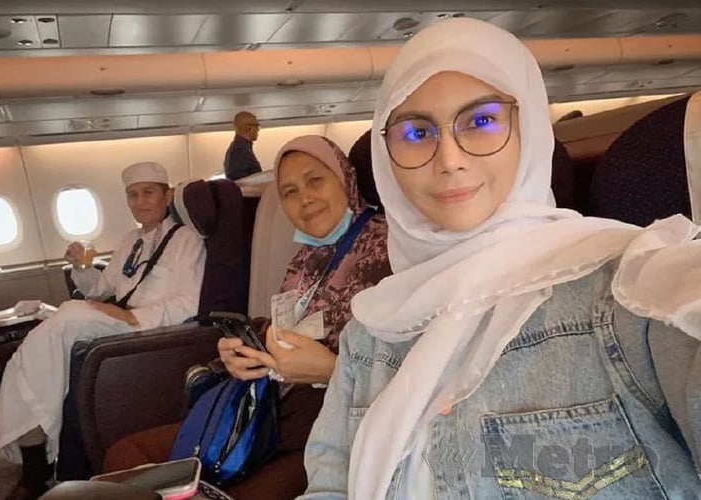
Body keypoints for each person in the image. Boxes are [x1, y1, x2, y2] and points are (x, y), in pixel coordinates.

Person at [301, 18, 701, 500]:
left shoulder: (632, 293)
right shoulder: (368, 336)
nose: (449, 159)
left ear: (526, 128)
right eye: (416, 131)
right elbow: (329, 486)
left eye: (482, 121)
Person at [103, 136, 391, 499]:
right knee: (125, 456)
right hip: (266, 410)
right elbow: (284, 328)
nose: (304, 198)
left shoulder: (388, 251)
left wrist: (330, 370)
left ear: (345, 178)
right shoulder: (304, 259)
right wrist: (242, 354)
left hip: (323, 427)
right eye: (289, 191)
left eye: (315, 180)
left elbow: (408, 374)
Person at [0, 161, 206, 500]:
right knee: (59, 329)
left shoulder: (187, 240)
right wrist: (81, 265)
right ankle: (38, 449)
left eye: (148, 192)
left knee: (66, 317)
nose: (140, 201)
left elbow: (191, 302)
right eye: (132, 195)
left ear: (167, 197)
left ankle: (37, 455)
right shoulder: (130, 240)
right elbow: (99, 288)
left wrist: (135, 317)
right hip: (120, 320)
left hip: (152, 331)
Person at [223, 111, 262, 180]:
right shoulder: (239, 151)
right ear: (248, 127)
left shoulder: (238, 148)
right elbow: (243, 182)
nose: (258, 130)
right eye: (256, 126)